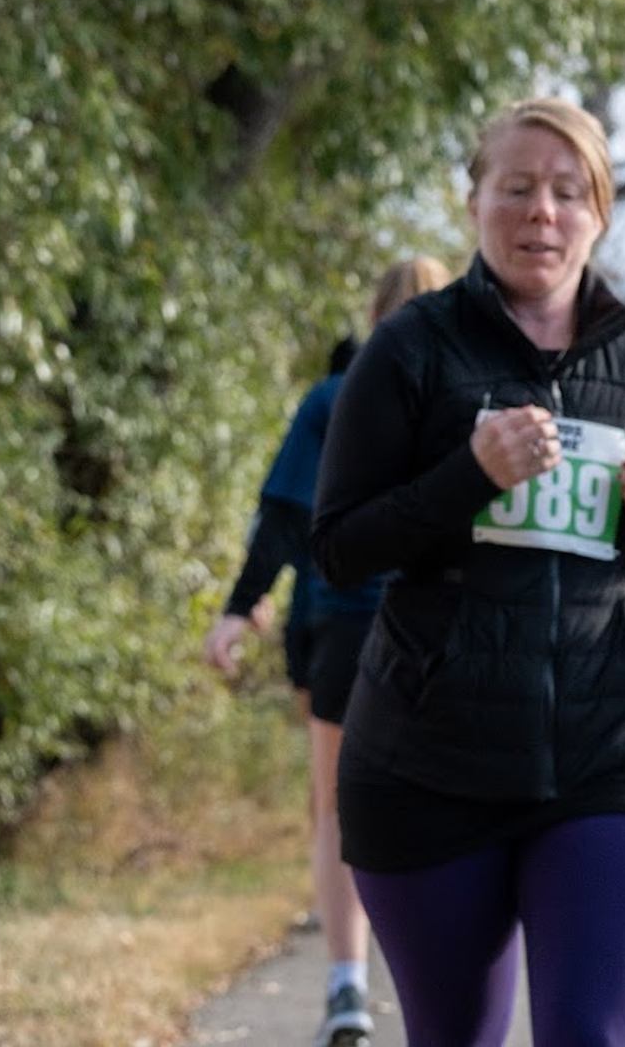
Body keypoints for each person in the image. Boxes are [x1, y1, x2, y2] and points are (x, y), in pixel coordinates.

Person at [311, 97, 625, 1047]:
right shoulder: (409, 350)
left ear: (601, 213)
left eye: (569, 192)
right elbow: (338, 547)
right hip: (427, 761)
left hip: (609, 747)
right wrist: (467, 477)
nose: (543, 212)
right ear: (475, 203)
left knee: (586, 1034)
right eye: (519, 188)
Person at [204, 255, 449, 1047]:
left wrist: (240, 607)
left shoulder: (333, 397)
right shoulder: (464, 401)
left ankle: (348, 987)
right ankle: (436, 988)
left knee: (336, 809)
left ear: (374, 317)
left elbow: (280, 514)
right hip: (443, 630)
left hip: (343, 625)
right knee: (444, 807)